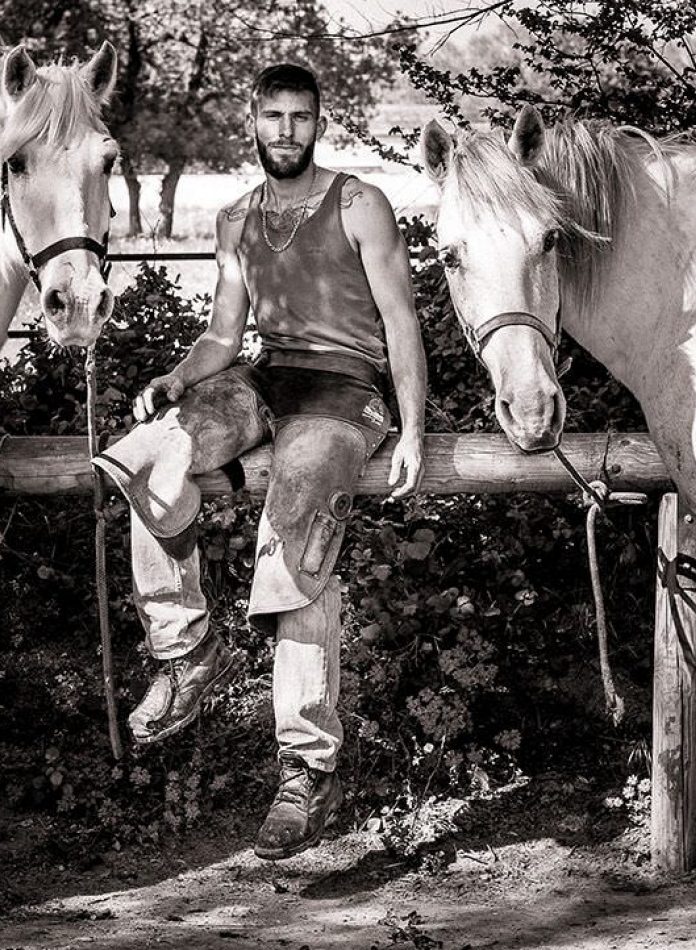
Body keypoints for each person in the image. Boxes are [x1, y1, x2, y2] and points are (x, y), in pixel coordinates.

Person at [91, 62, 428, 860]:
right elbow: (223, 333)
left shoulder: (359, 205)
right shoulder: (237, 218)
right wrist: (178, 377)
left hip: (347, 393)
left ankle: (306, 770)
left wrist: (412, 429)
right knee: (149, 457)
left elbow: (403, 323)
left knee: (295, 540)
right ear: (254, 119)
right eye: (272, 115)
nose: (286, 130)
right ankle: (186, 651)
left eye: (300, 117)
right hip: (266, 378)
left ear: (319, 123)